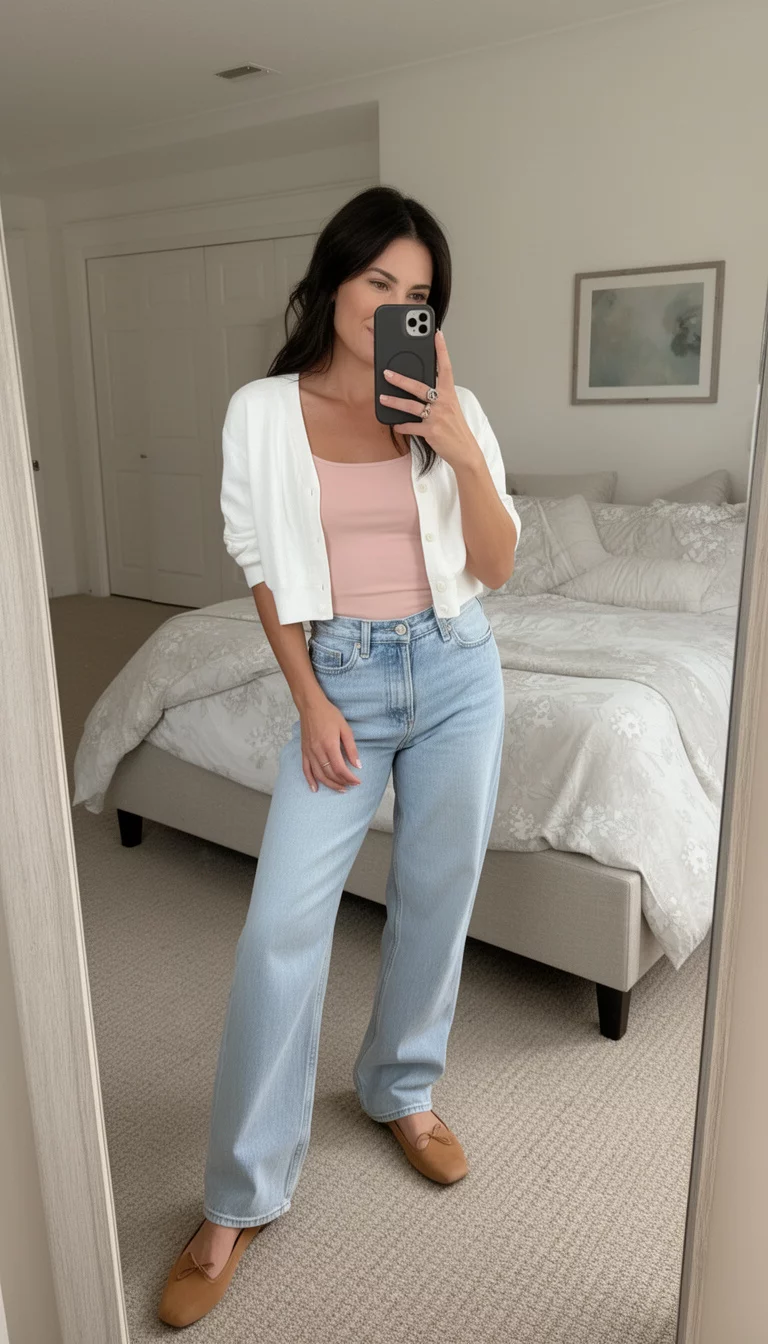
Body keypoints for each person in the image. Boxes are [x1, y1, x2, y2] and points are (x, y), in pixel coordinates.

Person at [157, 185, 520, 1328]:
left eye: (419, 295)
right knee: (279, 932)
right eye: (380, 285)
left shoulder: (451, 407)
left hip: (459, 667)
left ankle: (400, 1090)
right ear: (333, 281)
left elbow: (499, 566)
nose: (397, 308)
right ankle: (236, 1197)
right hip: (344, 679)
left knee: (435, 891)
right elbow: (263, 567)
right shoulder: (262, 411)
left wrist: (458, 447)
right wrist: (308, 697)